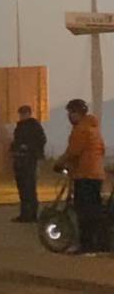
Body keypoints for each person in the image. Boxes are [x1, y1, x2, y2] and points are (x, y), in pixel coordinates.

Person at [55, 99, 107, 253]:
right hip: (96, 174)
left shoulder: (81, 129)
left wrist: (58, 163)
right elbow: (101, 150)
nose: (69, 116)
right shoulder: (94, 128)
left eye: (71, 113)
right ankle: (100, 243)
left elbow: (73, 152)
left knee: (84, 211)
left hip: (84, 174)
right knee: (95, 211)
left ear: (77, 113)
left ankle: (86, 245)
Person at [10, 104, 46, 222]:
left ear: (29, 114)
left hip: (29, 161)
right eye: (21, 114)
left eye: (24, 113)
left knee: (29, 187)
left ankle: (32, 214)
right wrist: (13, 150)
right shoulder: (19, 127)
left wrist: (28, 147)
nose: (22, 116)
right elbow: (16, 142)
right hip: (19, 160)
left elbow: (41, 140)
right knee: (22, 188)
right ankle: (25, 214)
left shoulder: (34, 126)